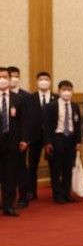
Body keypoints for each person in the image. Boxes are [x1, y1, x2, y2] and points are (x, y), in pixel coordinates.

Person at [44, 80, 81, 205]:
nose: (67, 92)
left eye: (69, 90)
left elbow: (77, 124)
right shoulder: (51, 106)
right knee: (56, 168)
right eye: (64, 90)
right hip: (57, 137)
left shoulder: (75, 106)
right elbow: (46, 125)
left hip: (70, 138)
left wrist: (78, 141)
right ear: (59, 91)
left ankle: (66, 193)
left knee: (68, 167)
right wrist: (48, 142)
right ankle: (57, 194)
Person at [0, 67, 29, 216]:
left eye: (5, 77)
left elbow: (24, 121)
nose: (2, 80)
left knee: (10, 175)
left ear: (9, 79)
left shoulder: (18, 98)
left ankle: (8, 205)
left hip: (12, 141)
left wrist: (23, 139)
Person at [26, 72, 54, 201]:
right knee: (32, 164)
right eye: (41, 79)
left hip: (52, 137)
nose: (43, 81)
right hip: (34, 136)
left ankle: (56, 191)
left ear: (50, 81)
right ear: (37, 82)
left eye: (46, 79)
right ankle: (31, 192)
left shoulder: (56, 98)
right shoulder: (29, 98)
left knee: (54, 164)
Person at [8, 66, 31, 209]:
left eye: (16, 76)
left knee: (21, 169)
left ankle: (23, 197)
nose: (13, 79)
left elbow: (27, 120)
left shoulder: (25, 96)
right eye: (11, 76)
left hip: (19, 140)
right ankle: (7, 199)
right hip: (4, 139)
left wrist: (25, 139)